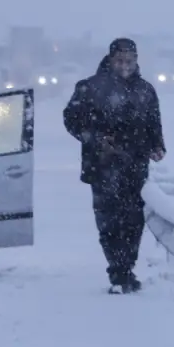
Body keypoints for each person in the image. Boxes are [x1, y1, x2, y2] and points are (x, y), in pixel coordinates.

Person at [62, 38, 166, 293]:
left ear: (136, 60)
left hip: (136, 166)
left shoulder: (145, 90)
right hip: (102, 166)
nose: (125, 66)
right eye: (120, 60)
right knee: (109, 221)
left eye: (130, 60)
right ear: (110, 59)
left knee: (133, 220)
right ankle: (118, 273)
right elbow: (71, 119)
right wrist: (96, 139)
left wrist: (157, 145)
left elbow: (154, 122)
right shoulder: (90, 87)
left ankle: (127, 267)